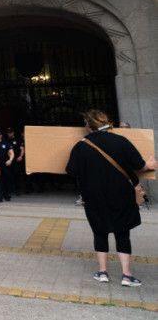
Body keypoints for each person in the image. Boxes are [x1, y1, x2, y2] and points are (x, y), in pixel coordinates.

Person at [66, 109, 157, 287]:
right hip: (122, 194)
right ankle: (126, 275)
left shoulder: (81, 145)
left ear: (88, 125)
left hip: (94, 196)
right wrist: (149, 165)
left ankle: (102, 272)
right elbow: (138, 165)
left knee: (100, 232)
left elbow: (72, 171)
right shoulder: (121, 141)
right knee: (122, 232)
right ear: (106, 122)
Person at [0, 129, 14, 202]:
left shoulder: (5, 143)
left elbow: (11, 153)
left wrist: (10, 160)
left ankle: (7, 195)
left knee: (6, 180)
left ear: (1, 135)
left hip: (5, 165)